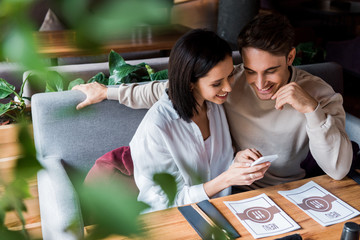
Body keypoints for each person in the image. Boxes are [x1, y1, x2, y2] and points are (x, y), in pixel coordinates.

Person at [73, 13, 353, 190]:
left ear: (290, 57)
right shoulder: (230, 83)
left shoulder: (318, 94)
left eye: (271, 71)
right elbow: (168, 89)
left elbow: (338, 169)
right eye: (251, 70)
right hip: (236, 188)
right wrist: (107, 92)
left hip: (291, 188)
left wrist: (311, 110)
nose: (259, 83)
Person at [76, 29, 270, 212]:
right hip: (174, 220)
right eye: (217, 83)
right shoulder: (158, 127)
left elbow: (213, 166)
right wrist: (227, 179)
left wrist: (238, 162)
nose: (228, 87)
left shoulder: (214, 105)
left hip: (222, 209)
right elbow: (165, 203)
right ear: (189, 83)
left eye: (230, 76)